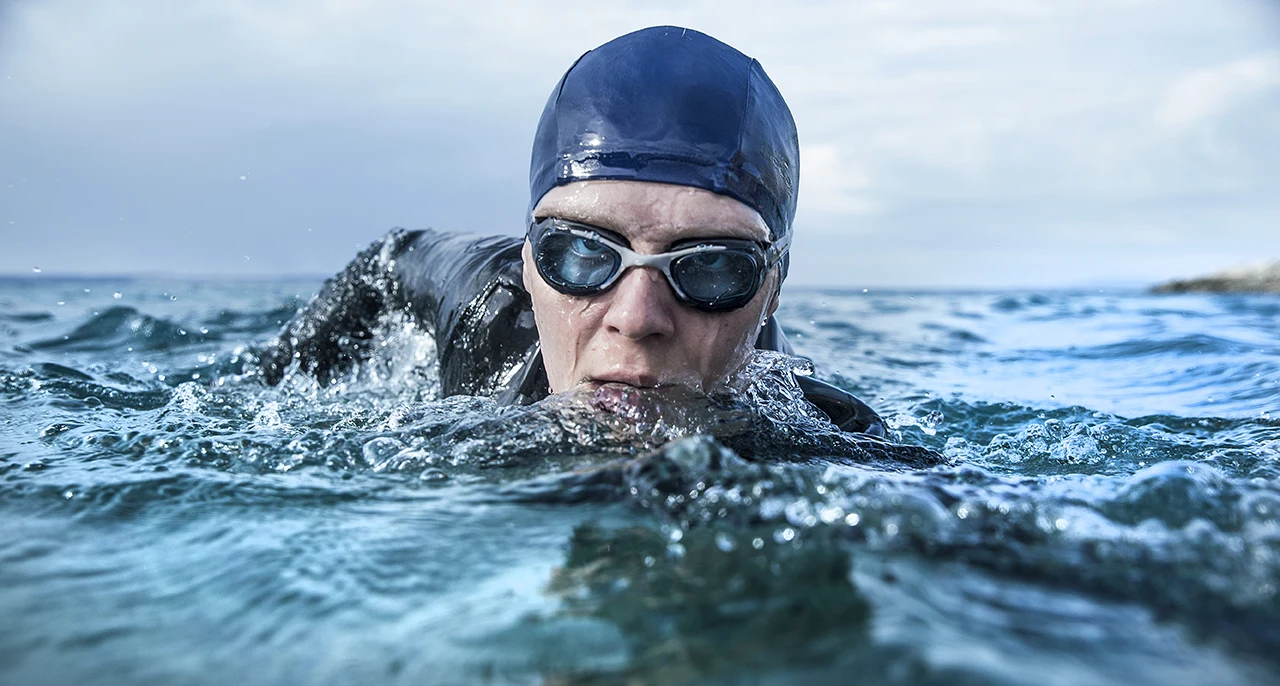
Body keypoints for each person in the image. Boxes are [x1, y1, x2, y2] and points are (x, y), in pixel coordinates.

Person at [262, 26, 886, 437]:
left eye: (711, 266)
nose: (637, 319)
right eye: (584, 253)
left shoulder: (821, 438)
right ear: (532, 264)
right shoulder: (488, 309)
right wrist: (270, 381)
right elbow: (392, 256)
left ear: (770, 290)